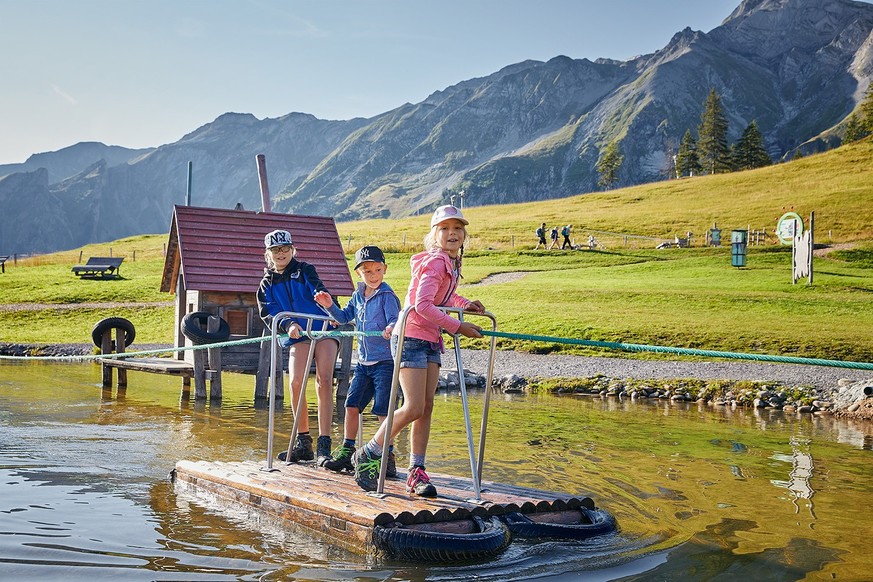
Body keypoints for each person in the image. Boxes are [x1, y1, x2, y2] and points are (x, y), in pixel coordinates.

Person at [351, 205, 484, 497]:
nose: (452, 234)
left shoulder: (451, 263)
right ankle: (369, 452)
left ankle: (416, 471)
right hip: (410, 334)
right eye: (445, 229)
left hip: (430, 337)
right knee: (412, 407)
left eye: (457, 229)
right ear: (434, 234)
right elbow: (422, 305)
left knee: (426, 407)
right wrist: (458, 327)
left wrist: (464, 304)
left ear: (463, 235)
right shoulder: (436, 262)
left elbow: (443, 296)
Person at [314, 245, 401, 478]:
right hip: (363, 363)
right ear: (358, 274)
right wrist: (328, 305)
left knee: (383, 410)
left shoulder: (387, 296)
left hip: (385, 362)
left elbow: (396, 318)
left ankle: (387, 457)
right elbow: (343, 317)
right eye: (367, 271)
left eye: (377, 270)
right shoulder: (357, 296)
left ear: (385, 269)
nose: (373, 276)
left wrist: (391, 328)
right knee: (351, 406)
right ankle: (347, 450)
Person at [257, 229, 339, 466]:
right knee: (295, 382)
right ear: (269, 254)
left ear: (292, 249)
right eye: (275, 250)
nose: (280, 253)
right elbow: (269, 312)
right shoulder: (266, 284)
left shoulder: (305, 270)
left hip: (323, 328)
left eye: (284, 249)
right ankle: (304, 442)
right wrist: (287, 323)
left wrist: (331, 309)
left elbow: (317, 289)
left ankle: (325, 444)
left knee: (324, 380)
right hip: (297, 334)